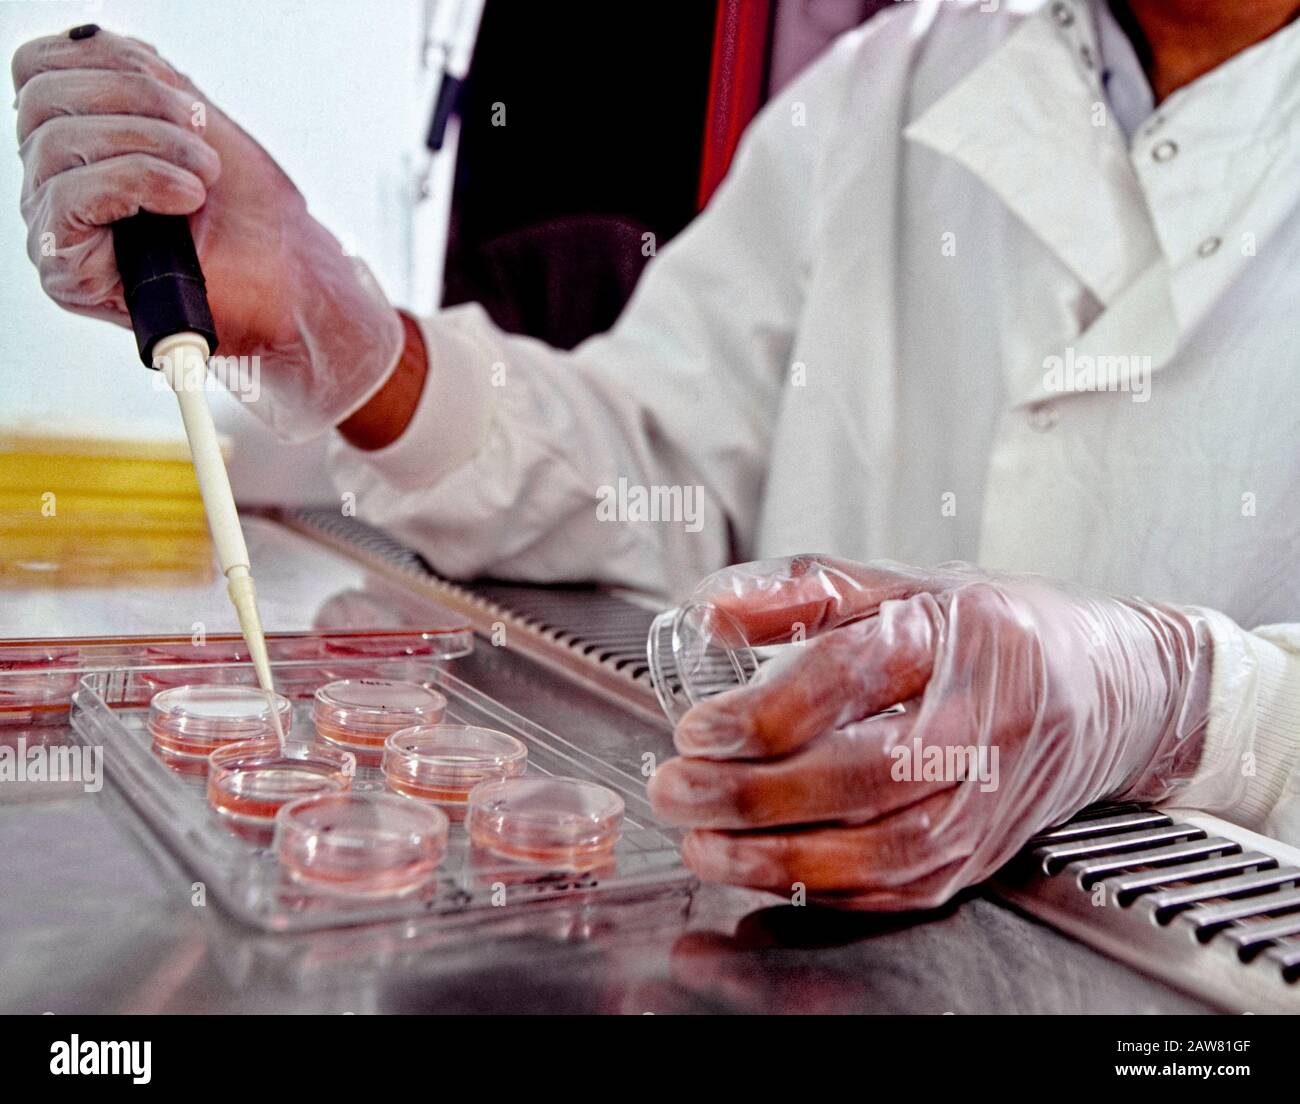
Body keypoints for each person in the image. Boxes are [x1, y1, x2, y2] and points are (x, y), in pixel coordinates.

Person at [13, 0, 1300, 909]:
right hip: (808, 919)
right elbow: (650, 461)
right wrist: (338, 326)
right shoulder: (893, 79)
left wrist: (1183, 699)